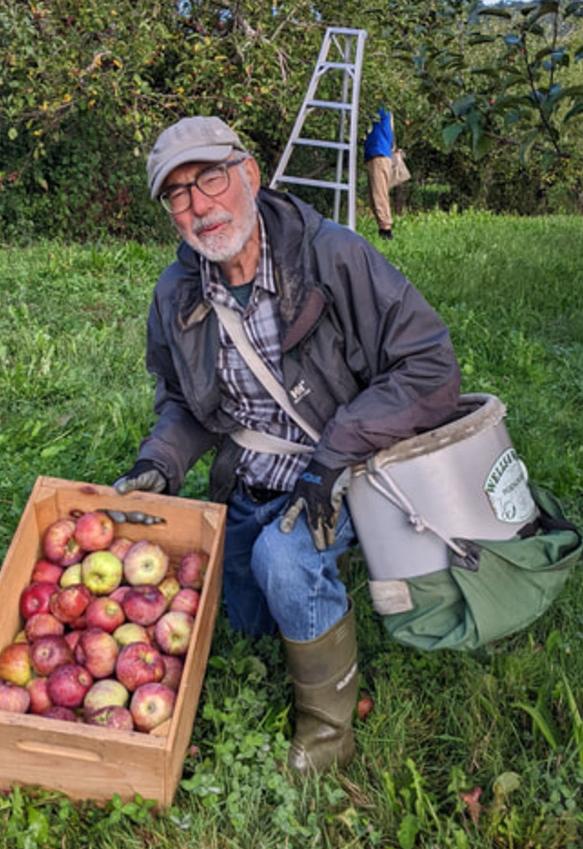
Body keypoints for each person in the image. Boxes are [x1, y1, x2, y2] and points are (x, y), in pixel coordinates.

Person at [113, 115, 460, 774]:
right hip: (255, 472)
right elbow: (184, 406)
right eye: (178, 195)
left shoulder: (331, 256)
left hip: (349, 468)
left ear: (248, 174)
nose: (200, 206)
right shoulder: (177, 292)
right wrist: (159, 462)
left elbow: (429, 366)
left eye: (210, 179)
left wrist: (333, 457)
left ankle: (328, 736)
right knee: (243, 620)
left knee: (283, 559)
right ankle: (301, 598)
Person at [364, 105, 394, 239]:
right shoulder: (385, 110)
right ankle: (383, 228)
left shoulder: (380, 108)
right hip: (377, 152)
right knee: (375, 192)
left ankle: (386, 230)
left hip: (378, 153)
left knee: (379, 191)